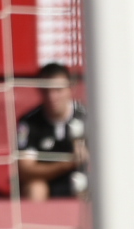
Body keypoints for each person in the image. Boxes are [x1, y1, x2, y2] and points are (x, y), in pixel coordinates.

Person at [16, 63, 87, 201]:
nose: (52, 97)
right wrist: (67, 163)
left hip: (80, 180)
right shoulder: (29, 122)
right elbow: (25, 170)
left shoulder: (86, 117)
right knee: (36, 187)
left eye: (58, 90)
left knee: (86, 184)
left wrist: (88, 158)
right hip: (45, 182)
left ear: (70, 88)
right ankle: (36, 222)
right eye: (47, 90)